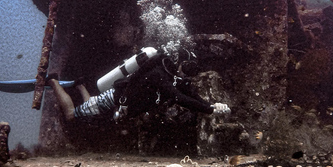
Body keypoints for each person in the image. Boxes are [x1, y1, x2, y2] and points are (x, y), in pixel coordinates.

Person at [49, 50, 225, 124]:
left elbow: (191, 94)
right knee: (71, 115)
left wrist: (209, 105)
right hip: (115, 99)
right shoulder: (160, 76)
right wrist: (208, 111)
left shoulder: (174, 77)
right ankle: (53, 80)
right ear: (180, 63)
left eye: (192, 71)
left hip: (119, 102)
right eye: (188, 69)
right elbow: (181, 99)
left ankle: (80, 85)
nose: (188, 75)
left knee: (96, 107)